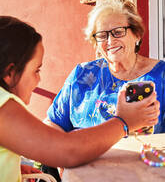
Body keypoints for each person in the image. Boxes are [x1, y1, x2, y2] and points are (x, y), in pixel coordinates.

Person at [0, 15, 159, 182]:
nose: (39, 79)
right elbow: (67, 151)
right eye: (36, 70)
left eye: (118, 32)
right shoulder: (4, 108)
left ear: (137, 36)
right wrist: (124, 122)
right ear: (10, 73)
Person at [46, 0, 165, 134]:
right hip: (84, 155)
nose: (110, 41)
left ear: (137, 34)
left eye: (118, 32)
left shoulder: (161, 76)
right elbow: (53, 123)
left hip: (143, 155)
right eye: (102, 35)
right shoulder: (81, 75)